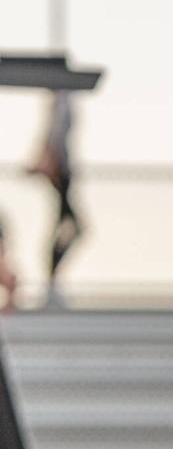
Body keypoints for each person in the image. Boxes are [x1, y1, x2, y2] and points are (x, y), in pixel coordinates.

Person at [26, 91, 83, 308]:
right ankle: (51, 282)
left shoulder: (61, 104)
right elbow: (52, 137)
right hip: (61, 175)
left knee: (67, 227)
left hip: (63, 175)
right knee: (70, 227)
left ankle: (52, 281)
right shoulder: (60, 105)